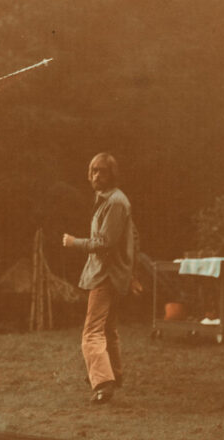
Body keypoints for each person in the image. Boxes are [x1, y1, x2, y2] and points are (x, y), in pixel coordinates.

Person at [62, 152, 138, 404]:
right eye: (93, 170)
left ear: (112, 174)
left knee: (91, 331)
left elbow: (105, 243)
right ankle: (113, 374)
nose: (96, 176)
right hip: (111, 273)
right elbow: (131, 237)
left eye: (102, 171)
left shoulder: (116, 202)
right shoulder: (107, 200)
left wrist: (74, 243)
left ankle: (104, 384)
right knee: (107, 329)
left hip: (107, 275)